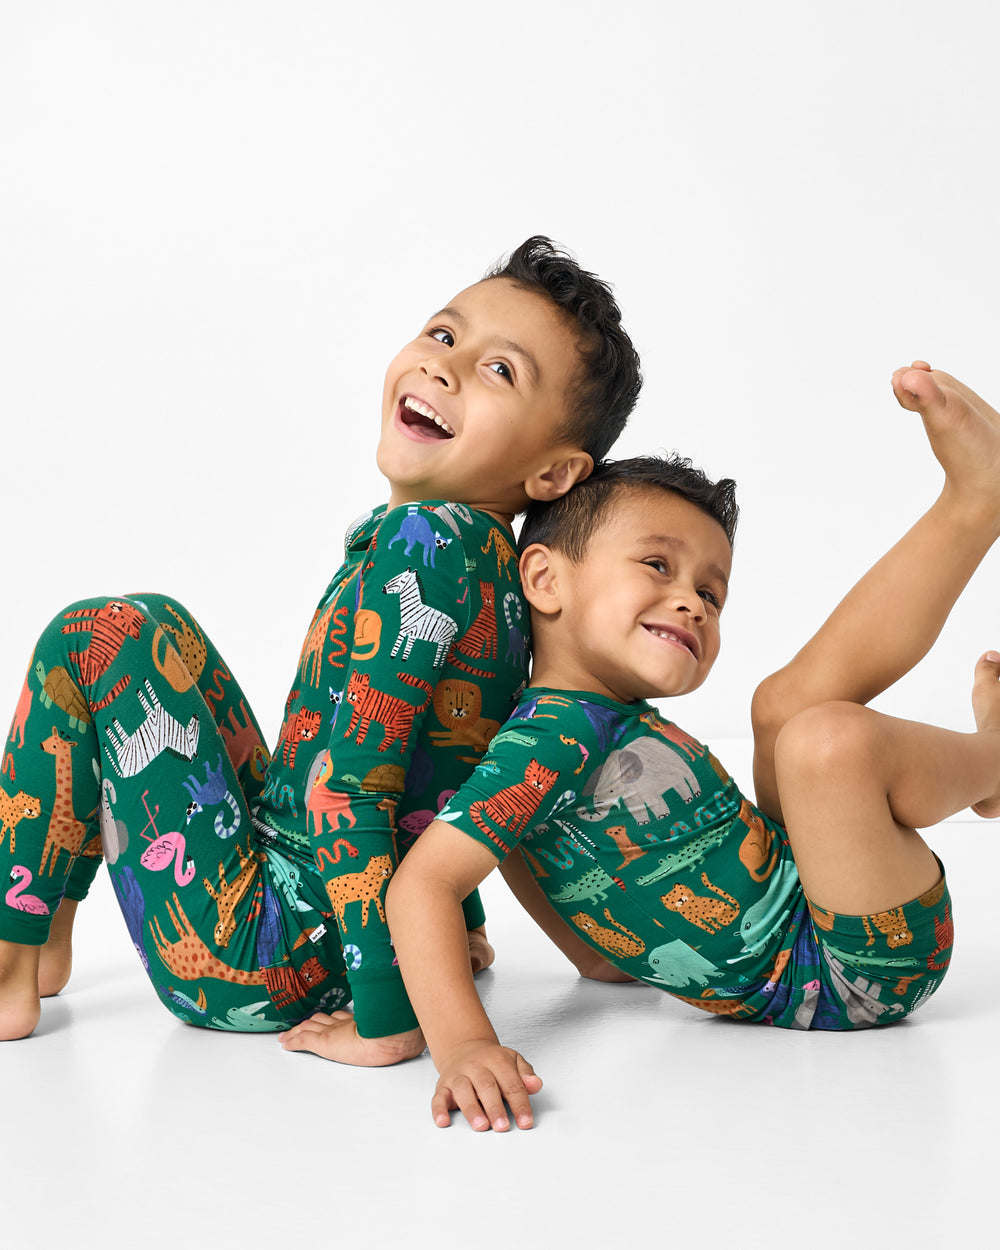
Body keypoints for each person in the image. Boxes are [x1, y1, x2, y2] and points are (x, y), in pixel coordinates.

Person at [0, 236, 642, 1060]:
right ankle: (46, 926)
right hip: (339, 915)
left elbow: (353, 787)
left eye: (499, 372)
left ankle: (14, 956)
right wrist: (456, 924)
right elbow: (447, 758)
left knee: (92, 635)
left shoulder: (425, 543)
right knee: (157, 627)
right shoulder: (499, 569)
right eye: (444, 337)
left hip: (260, 955)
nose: (443, 367)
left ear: (554, 474)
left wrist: (389, 1016)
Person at [386, 362, 1000, 1129]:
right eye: (657, 565)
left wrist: (599, 956)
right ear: (543, 579)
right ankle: (992, 760)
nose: (693, 601)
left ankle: (975, 504)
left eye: (712, 593)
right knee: (819, 742)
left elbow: (530, 855)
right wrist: (466, 1046)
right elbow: (423, 885)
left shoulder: (580, 727)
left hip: (813, 891)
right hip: (852, 972)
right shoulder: (547, 741)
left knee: (781, 706)